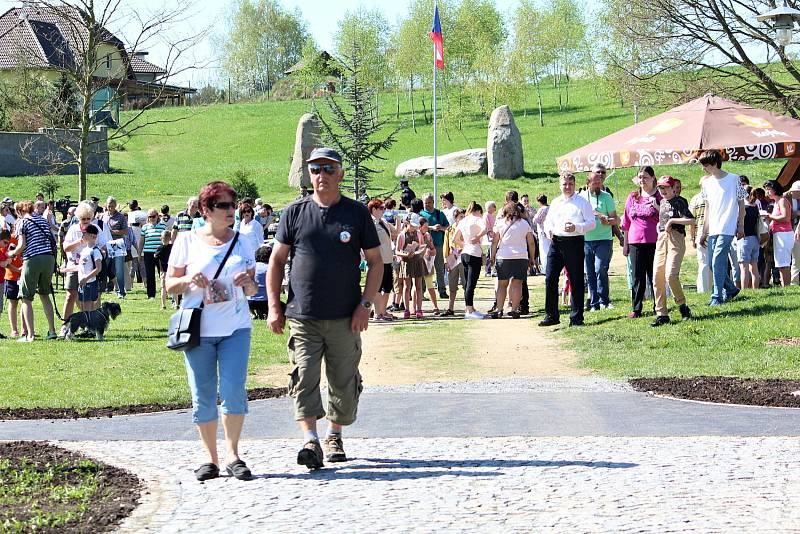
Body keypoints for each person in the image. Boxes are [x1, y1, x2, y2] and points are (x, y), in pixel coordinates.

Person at [266, 147, 382, 470]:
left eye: (329, 169)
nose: (322, 176)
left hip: (346, 316)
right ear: (309, 173)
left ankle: (334, 434)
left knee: (343, 380)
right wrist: (274, 307)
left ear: (341, 174)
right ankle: (310, 440)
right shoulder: (294, 212)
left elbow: (375, 263)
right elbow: (275, 262)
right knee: (303, 376)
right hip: (303, 315)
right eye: (316, 169)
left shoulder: (356, 214)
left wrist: (365, 304)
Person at [166, 180, 259, 482]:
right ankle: (210, 458)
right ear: (206, 210)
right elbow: (169, 286)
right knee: (203, 394)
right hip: (198, 328)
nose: (231, 210)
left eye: (233, 205)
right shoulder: (186, 240)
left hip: (236, 327)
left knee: (233, 391)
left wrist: (248, 281)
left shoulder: (243, 240)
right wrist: (189, 280)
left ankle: (233, 455)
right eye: (223, 205)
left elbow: (253, 287)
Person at [539, 172, 596, 327]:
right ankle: (551, 315)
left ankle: (576, 318)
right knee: (550, 278)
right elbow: (548, 222)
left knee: (576, 280)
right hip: (556, 243)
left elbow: (592, 223)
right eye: (564, 184)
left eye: (570, 184)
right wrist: (549, 230)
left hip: (574, 242)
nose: (567, 187)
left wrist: (577, 227)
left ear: (574, 185)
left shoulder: (582, 202)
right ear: (560, 185)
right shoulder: (556, 202)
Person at [697, 150, 746, 305]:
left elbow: (741, 204)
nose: (703, 168)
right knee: (712, 263)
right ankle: (731, 289)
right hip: (713, 228)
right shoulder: (706, 183)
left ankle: (717, 296)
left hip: (727, 226)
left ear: (714, 164)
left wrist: (740, 226)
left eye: (705, 165)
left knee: (718, 260)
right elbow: (708, 209)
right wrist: (704, 232)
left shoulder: (733, 179)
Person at [7, 200, 58, 342]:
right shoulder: (42, 220)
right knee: (45, 294)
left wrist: (12, 254)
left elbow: (22, 245)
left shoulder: (23, 222)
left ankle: (29, 335)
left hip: (33, 259)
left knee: (26, 297)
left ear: (19, 212)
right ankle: (52, 331)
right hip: (49, 259)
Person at [651, 176, 694, 326]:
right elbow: (663, 216)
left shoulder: (679, 201)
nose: (663, 191)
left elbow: (690, 220)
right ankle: (662, 314)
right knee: (657, 275)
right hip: (662, 238)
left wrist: (672, 221)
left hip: (676, 237)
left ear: (673, 187)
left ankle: (683, 306)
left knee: (671, 275)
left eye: (666, 188)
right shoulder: (662, 202)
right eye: (660, 188)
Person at [621, 166, 661, 318]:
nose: (642, 180)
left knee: (654, 275)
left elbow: (665, 217)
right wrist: (625, 244)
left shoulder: (659, 196)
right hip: (635, 241)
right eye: (640, 177)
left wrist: (657, 207)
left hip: (654, 241)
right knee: (637, 276)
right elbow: (626, 221)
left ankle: (658, 305)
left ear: (652, 178)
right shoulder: (633, 196)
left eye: (645, 177)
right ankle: (636, 308)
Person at [489, 202, 536, 319]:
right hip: (521, 257)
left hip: (503, 256)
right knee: (517, 284)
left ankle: (499, 310)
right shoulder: (524, 224)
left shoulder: (500, 223)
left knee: (502, 284)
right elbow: (531, 242)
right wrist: (532, 257)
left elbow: (495, 242)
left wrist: (492, 256)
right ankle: (514, 310)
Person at [579, 169, 618, 310]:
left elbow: (616, 219)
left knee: (600, 268)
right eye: (594, 183)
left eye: (599, 182)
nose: (598, 185)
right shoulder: (581, 197)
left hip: (604, 239)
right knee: (589, 272)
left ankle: (604, 300)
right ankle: (594, 303)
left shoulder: (607, 197)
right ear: (588, 183)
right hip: (586, 240)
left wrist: (608, 220)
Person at [453, 202, 486, 319]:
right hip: (474, 253)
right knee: (471, 283)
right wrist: (477, 238)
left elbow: (454, 238)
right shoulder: (477, 219)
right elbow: (486, 228)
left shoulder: (463, 221)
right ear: (478, 211)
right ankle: (469, 309)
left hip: (465, 253)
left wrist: (464, 244)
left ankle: (469, 307)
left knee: (467, 283)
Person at [368, 198, 398, 321]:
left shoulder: (384, 221)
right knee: (377, 288)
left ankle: (383, 311)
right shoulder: (370, 223)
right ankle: (377, 313)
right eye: (381, 208)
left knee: (387, 286)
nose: (383, 210)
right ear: (373, 209)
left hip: (387, 259)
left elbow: (396, 232)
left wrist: (399, 219)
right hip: (377, 260)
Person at [395, 213, 427, 319]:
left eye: (415, 225)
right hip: (406, 262)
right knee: (407, 286)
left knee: (418, 286)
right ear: (407, 223)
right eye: (412, 225)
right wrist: (406, 254)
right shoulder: (402, 235)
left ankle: (419, 309)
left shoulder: (418, 233)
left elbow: (422, 246)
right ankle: (407, 310)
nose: (414, 227)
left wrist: (418, 252)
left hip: (417, 261)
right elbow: (397, 251)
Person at [762, 180, 793, 287]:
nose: (767, 192)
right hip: (778, 234)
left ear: (775, 189)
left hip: (783, 234)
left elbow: (786, 217)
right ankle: (785, 286)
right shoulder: (776, 202)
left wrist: (770, 217)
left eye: (769, 189)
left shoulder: (782, 201)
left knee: (783, 263)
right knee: (780, 263)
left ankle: (787, 287)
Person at [420, 193, 449, 299]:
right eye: (425, 203)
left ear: (433, 202)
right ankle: (421, 292)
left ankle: (442, 290)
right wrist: (431, 228)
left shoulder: (439, 213)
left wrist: (441, 228)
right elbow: (419, 228)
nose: (427, 205)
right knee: (424, 269)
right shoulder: (421, 214)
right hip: (425, 246)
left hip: (438, 245)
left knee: (440, 269)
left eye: (429, 203)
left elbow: (447, 226)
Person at [102, 197, 129, 299]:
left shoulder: (120, 217)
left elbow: (125, 231)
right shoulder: (103, 216)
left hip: (117, 243)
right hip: (106, 243)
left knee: (119, 269)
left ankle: (121, 291)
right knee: (107, 267)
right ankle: (107, 286)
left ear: (115, 206)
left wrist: (112, 232)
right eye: (109, 206)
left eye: (112, 206)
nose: (110, 208)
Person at [688, 184, 712, 293]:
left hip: (701, 230)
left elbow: (691, 220)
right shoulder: (714, 196)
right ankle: (710, 288)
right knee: (713, 263)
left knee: (703, 262)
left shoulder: (695, 199)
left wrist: (692, 237)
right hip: (715, 230)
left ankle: (703, 289)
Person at [737, 189, 762, 290]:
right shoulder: (755, 207)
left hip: (744, 239)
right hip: (755, 239)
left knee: (744, 268)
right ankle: (755, 289)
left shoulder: (744, 209)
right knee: (754, 267)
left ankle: (744, 290)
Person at [140, 209, 166, 300]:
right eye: (150, 217)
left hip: (160, 253)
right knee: (150, 274)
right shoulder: (145, 227)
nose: (152, 218)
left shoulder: (163, 226)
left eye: (153, 216)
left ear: (157, 216)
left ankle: (165, 292)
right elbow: (142, 241)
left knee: (162, 273)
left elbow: (166, 239)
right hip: (148, 253)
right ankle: (151, 295)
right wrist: (140, 253)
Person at [442, 208, 464, 316]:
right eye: (460, 217)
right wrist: (446, 260)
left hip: (463, 258)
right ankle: (450, 308)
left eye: (464, 217)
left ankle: (469, 306)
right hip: (452, 258)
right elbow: (445, 246)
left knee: (466, 283)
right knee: (452, 284)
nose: (462, 219)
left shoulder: (466, 229)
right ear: (455, 218)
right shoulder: (450, 230)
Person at [75, 225, 102, 313]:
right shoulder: (85, 250)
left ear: (92, 236)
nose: (82, 235)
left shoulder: (95, 250)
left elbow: (98, 268)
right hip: (83, 282)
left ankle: (89, 325)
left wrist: (86, 279)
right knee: (82, 305)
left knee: (88, 306)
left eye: (84, 233)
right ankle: (87, 324)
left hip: (89, 282)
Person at [418, 218, 441, 315]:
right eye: (425, 226)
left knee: (430, 285)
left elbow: (433, 249)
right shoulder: (415, 235)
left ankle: (435, 306)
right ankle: (416, 308)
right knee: (417, 287)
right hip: (417, 263)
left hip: (427, 263)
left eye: (427, 226)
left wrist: (430, 250)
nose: (427, 228)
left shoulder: (428, 235)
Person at [532, 195, 550, 274]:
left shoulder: (542, 209)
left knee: (544, 251)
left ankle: (545, 268)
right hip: (550, 232)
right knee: (549, 250)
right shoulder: (551, 207)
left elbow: (535, 220)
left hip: (543, 232)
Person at [483, 201, 497, 277]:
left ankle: (492, 269)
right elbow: (488, 227)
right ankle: (488, 270)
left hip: (492, 237)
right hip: (489, 238)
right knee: (489, 254)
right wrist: (491, 234)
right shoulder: (486, 215)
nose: (495, 208)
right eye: (494, 206)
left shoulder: (490, 215)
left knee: (492, 253)